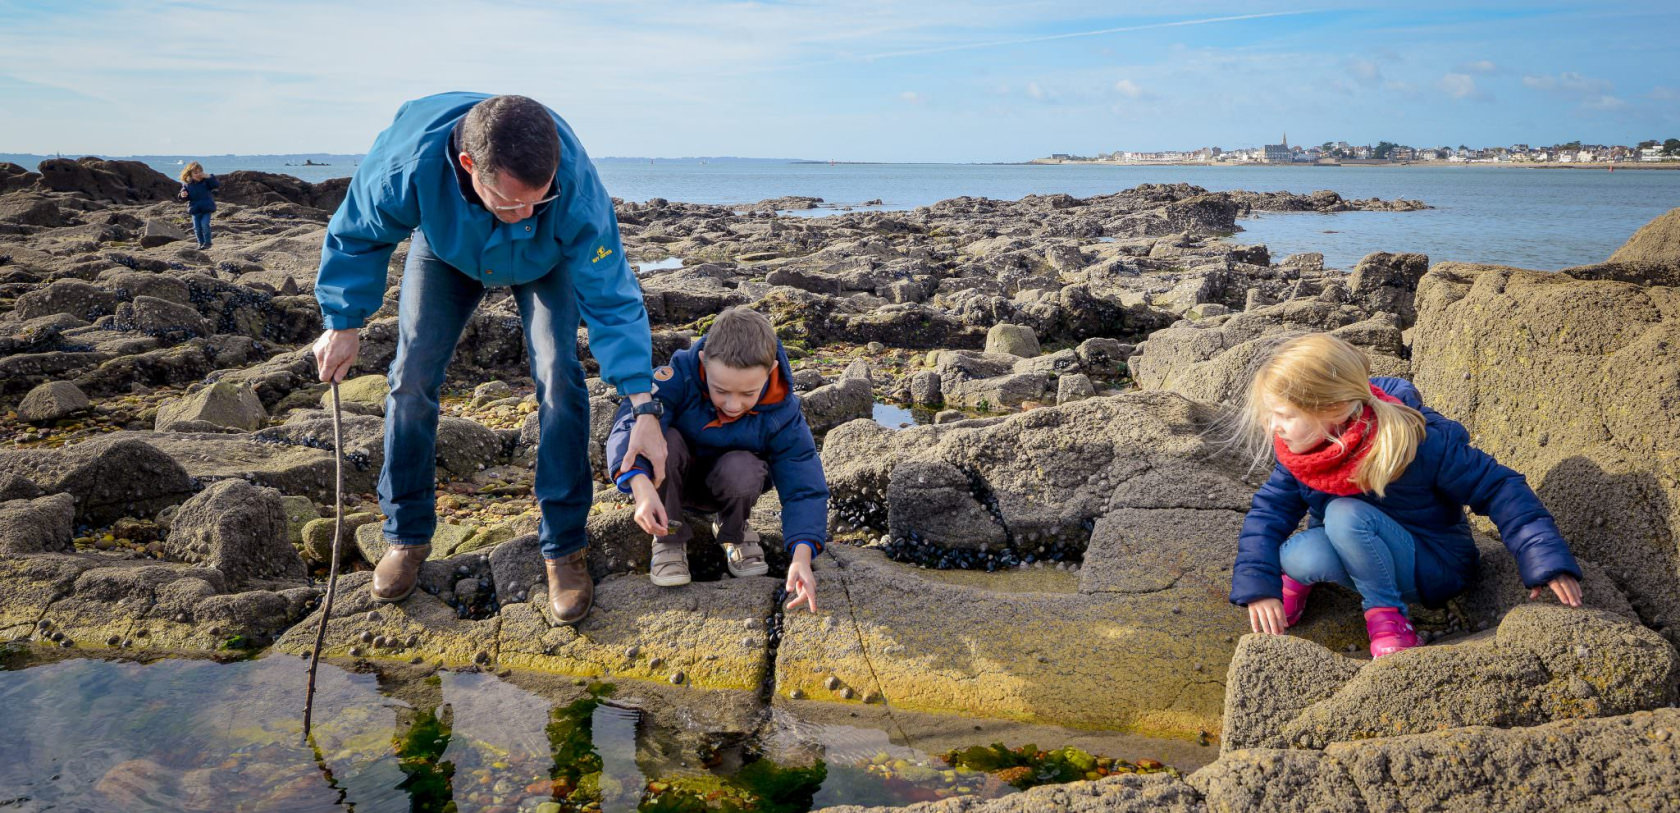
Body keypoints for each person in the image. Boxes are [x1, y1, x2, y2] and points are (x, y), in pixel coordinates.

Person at [310, 93, 666, 626]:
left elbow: (611, 293)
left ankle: (564, 548)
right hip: (448, 252)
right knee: (409, 379)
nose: (522, 213)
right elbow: (358, 233)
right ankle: (406, 535)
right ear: (469, 165)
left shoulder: (573, 187)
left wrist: (643, 403)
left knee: (559, 379)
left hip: (545, 261)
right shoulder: (408, 163)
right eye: (508, 202)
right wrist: (342, 321)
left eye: (536, 199)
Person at [1229, 333, 1583, 657]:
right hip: (1358, 549)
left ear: (1334, 410)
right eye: (1269, 415)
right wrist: (1260, 586)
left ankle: (1387, 616)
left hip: (1432, 566)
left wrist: (1543, 558)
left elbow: (1498, 486)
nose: (1272, 427)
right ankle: (1304, 582)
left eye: (1284, 415)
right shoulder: (1302, 452)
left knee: (1344, 514)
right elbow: (1269, 513)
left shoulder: (1418, 440)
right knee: (1299, 557)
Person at [604, 306, 823, 614]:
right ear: (704, 361)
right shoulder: (676, 375)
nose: (733, 404)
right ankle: (668, 538)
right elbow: (628, 425)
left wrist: (801, 558)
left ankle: (733, 530)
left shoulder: (782, 410)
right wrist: (640, 487)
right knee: (664, 437)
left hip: (732, 486)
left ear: (770, 371)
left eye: (748, 393)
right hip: (671, 481)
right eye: (721, 390)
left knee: (744, 467)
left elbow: (804, 485)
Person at [177, 161, 220, 249]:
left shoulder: (206, 182)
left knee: (205, 225)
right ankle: (200, 243)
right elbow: (183, 196)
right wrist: (182, 195)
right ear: (190, 174)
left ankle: (208, 243)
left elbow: (215, 185)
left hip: (206, 208)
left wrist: (209, 176)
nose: (198, 174)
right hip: (195, 209)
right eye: (196, 173)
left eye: (200, 172)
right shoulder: (187, 185)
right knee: (197, 228)